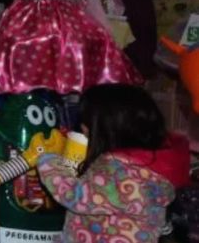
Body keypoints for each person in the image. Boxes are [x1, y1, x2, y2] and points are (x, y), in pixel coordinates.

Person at [36, 84, 190, 243]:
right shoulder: (145, 168)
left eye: (86, 122)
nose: (82, 128)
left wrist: (47, 159)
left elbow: (74, 196)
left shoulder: (122, 174)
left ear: (107, 129)